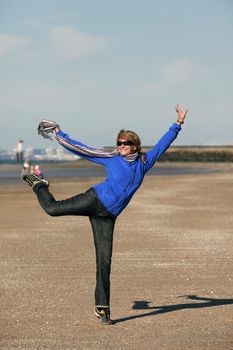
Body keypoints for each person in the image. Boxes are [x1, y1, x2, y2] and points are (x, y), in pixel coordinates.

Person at [21, 104, 188, 325]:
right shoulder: (111, 157)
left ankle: (102, 309)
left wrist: (177, 124)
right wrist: (59, 133)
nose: (121, 146)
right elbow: (83, 149)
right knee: (52, 209)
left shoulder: (145, 162)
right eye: (119, 143)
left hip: (108, 216)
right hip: (94, 200)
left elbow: (163, 144)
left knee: (104, 261)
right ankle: (39, 184)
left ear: (135, 145)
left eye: (126, 143)